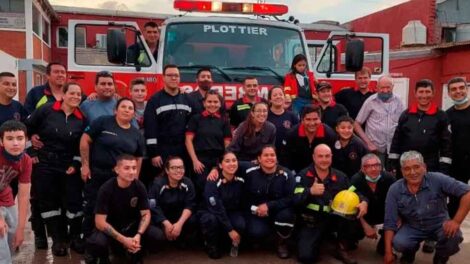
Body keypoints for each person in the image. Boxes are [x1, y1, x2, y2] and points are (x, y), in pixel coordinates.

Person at [25, 82, 87, 256]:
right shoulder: (46, 110)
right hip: (45, 164)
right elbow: (26, 128)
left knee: (73, 202)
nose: (75, 97)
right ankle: (58, 240)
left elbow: (80, 145)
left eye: (78, 94)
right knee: (48, 203)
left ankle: (74, 237)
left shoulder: (82, 118)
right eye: (72, 93)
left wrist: (75, 164)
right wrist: (30, 149)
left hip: (68, 166)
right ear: (64, 94)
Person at [384, 151, 470, 264]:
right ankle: (409, 253)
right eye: (407, 169)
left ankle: (441, 257)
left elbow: (467, 193)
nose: (412, 172)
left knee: (454, 236)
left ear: (424, 167)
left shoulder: (438, 179)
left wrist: (456, 221)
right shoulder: (395, 189)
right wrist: (388, 252)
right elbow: (389, 222)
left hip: (439, 225)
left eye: (416, 167)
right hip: (412, 226)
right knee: (400, 243)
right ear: (402, 171)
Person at [80, 98, 145, 238]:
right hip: (98, 174)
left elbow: (138, 157)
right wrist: (85, 165)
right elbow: (85, 140)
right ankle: (88, 242)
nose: (127, 110)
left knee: (116, 210)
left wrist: (135, 177)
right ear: (116, 110)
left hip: (121, 179)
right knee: (92, 208)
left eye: (130, 108)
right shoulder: (102, 122)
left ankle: (112, 242)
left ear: (134, 113)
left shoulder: (136, 133)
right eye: (123, 107)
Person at [294, 144, 368, 264]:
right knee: (306, 257)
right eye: (320, 156)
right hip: (312, 221)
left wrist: (364, 201)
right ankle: (317, 241)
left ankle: (341, 247)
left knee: (355, 225)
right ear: (313, 157)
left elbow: (355, 192)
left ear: (331, 157)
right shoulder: (303, 175)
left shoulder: (340, 176)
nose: (324, 160)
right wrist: (310, 191)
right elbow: (295, 200)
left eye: (327, 156)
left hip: (334, 219)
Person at [24, 63, 68, 249]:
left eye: (63, 72)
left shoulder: (71, 94)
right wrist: (31, 146)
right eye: (56, 72)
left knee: (61, 197)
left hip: (63, 157)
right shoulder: (37, 94)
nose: (60, 75)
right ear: (48, 75)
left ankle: (60, 235)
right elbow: (27, 123)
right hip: (41, 156)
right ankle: (40, 235)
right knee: (38, 197)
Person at [85, 154, 159, 264]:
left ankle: (135, 252)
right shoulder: (106, 189)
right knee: (97, 243)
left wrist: (138, 235)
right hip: (111, 228)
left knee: (157, 235)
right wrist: (124, 240)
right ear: (116, 170)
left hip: (131, 227)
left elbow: (146, 214)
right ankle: (103, 256)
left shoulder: (139, 186)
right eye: (126, 168)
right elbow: (99, 223)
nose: (131, 172)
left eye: (134, 168)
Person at [389, 79, 452, 181]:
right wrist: (392, 164)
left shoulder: (441, 116)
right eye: (421, 92)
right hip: (407, 166)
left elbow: (446, 145)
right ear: (415, 93)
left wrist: (444, 168)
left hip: (431, 166)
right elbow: (396, 141)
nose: (424, 95)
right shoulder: (406, 115)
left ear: (433, 93)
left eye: (427, 92)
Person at [243, 145, 295, 259]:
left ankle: (282, 243)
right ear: (259, 159)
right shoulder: (249, 172)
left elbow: (291, 198)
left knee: (287, 216)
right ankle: (265, 236)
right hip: (257, 212)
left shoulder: (287, 175)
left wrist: (269, 206)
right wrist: (215, 169)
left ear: (276, 158)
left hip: (279, 211)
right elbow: (244, 197)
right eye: (266, 155)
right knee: (256, 232)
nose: (269, 158)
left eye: (272, 155)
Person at [144, 64, 193, 170]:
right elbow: (150, 128)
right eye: (170, 75)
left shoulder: (187, 99)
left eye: (176, 75)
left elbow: (195, 123)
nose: (173, 78)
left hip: (183, 150)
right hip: (162, 151)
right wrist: (154, 153)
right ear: (163, 78)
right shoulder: (155, 100)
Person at [198, 151, 245, 259]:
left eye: (234, 160)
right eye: (227, 161)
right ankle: (210, 245)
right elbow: (216, 208)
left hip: (230, 210)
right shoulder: (213, 180)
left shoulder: (241, 179)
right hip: (211, 211)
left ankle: (233, 244)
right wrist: (230, 229)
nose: (232, 164)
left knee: (240, 223)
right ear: (220, 165)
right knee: (212, 220)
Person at [186, 90, 231, 196]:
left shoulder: (224, 121)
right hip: (200, 161)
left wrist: (221, 164)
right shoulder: (196, 119)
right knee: (201, 188)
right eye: (209, 101)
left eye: (215, 102)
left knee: (217, 188)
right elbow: (188, 140)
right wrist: (195, 161)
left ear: (220, 104)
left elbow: (227, 144)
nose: (212, 104)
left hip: (218, 160)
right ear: (204, 103)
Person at [354, 75, 404, 168]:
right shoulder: (370, 101)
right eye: (382, 88)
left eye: (388, 87)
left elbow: (404, 123)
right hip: (375, 149)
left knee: (392, 176)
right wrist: (368, 143)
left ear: (393, 87)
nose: (385, 90)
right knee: (376, 174)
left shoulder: (399, 101)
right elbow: (356, 124)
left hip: (393, 149)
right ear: (377, 87)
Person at [350, 153, 395, 255]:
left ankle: (384, 244)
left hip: (384, 214)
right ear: (362, 169)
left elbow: (398, 202)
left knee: (399, 222)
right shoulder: (355, 180)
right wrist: (366, 226)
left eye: (377, 165)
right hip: (364, 215)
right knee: (351, 229)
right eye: (369, 166)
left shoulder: (389, 179)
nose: (374, 169)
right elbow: (350, 205)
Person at [148, 156, 197, 246]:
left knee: (195, 219)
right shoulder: (157, 184)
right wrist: (166, 224)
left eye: (181, 167)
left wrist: (179, 224)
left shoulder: (188, 183)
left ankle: (180, 238)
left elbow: (190, 205)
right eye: (174, 168)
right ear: (167, 170)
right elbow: (153, 207)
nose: (178, 170)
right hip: (161, 219)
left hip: (178, 218)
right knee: (158, 236)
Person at [0, 121, 31, 263]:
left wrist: (21, 228)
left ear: (26, 140)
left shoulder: (26, 160)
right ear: (1, 141)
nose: (15, 143)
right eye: (9, 138)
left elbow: (24, 195)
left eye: (20, 138)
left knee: (12, 242)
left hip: (6, 197)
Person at [280, 105, 336, 173]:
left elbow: (335, 159)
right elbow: (285, 159)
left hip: (322, 173)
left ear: (320, 119)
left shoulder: (329, 135)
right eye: (308, 119)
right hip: (297, 174)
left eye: (315, 119)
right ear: (302, 120)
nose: (312, 123)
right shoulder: (291, 134)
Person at [446, 77, 470, 217]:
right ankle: (451, 233)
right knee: (456, 200)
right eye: (454, 89)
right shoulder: (447, 115)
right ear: (449, 93)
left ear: (467, 89)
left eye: (461, 88)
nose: (458, 91)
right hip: (458, 165)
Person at [267, 86, 299, 155]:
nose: (278, 97)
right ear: (270, 100)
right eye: (275, 95)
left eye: (281, 94)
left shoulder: (292, 116)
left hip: (287, 155)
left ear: (284, 98)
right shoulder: (265, 116)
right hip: (269, 155)